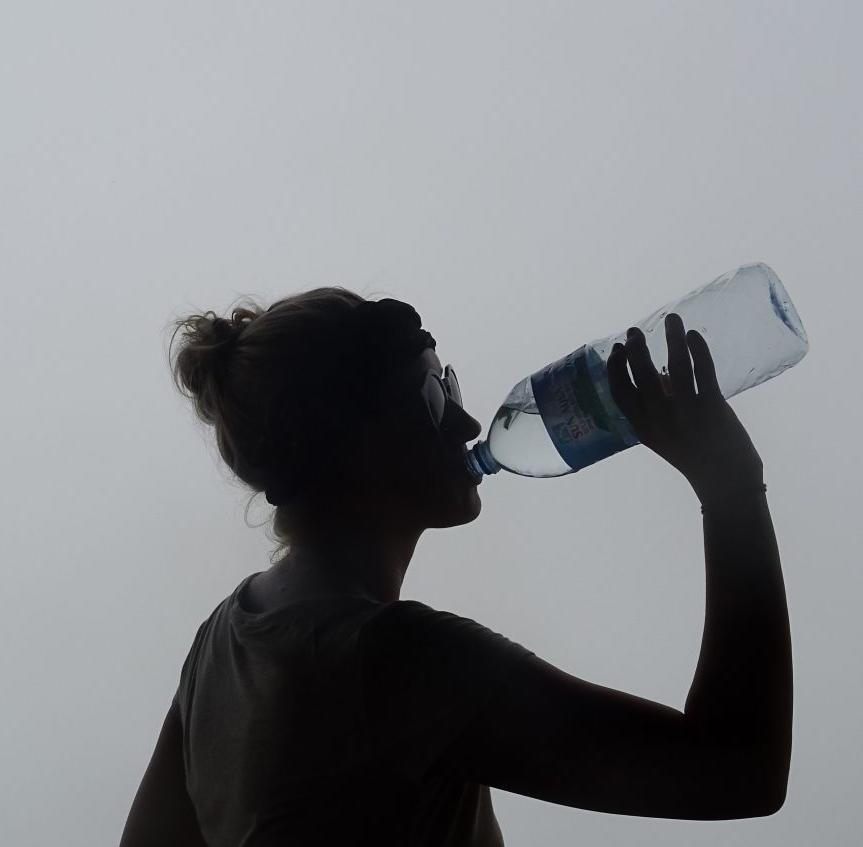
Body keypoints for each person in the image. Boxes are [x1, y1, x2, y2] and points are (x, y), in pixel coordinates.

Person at [120, 288, 792, 847]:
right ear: (350, 439)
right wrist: (730, 485)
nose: (469, 422)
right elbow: (736, 769)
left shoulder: (222, 642)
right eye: (434, 397)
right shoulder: (392, 659)